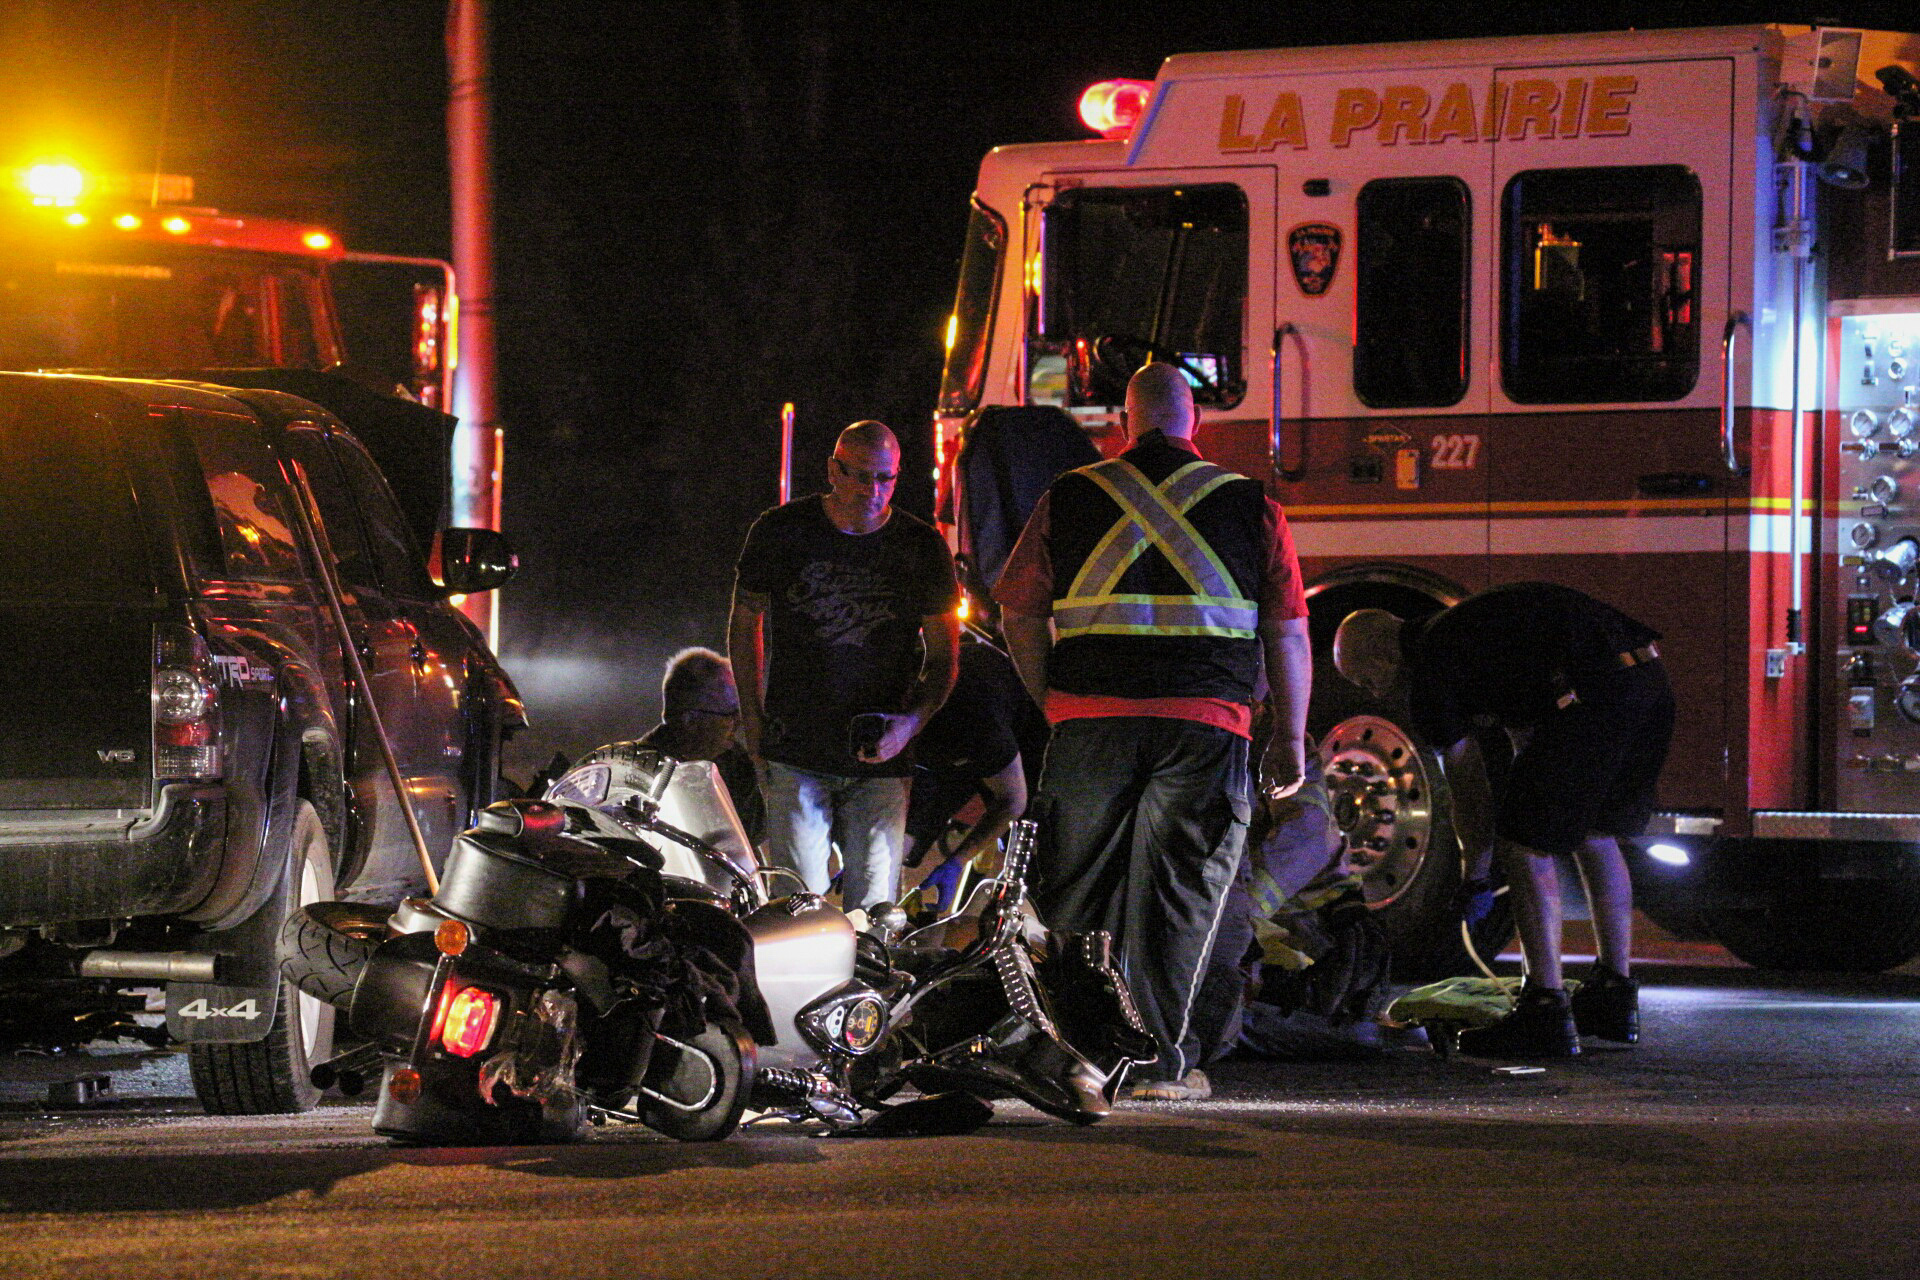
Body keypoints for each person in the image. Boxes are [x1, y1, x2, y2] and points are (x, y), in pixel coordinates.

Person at [995, 363, 1313, 1101]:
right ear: (1194, 420)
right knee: (1180, 901)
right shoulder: (1251, 504)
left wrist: (1051, 699)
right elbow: (1288, 633)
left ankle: (1075, 1055)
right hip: (1203, 727)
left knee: (1076, 896)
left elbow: (1017, 612)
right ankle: (1158, 1066)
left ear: (1123, 424)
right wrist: (1291, 738)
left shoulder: (1069, 495)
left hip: (1089, 723)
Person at [1331, 583, 1674, 1057]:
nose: (1370, 692)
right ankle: (1613, 997)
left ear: (1382, 654)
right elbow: (1525, 738)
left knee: (1524, 845)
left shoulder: (1431, 667)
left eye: (1365, 680)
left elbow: (1466, 785)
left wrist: (1475, 874)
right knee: (1595, 833)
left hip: (1590, 697)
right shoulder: (1472, 635)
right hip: (1647, 684)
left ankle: (1544, 1010)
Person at [729, 420, 960, 912]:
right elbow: (745, 622)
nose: (872, 491)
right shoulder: (782, 531)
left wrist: (910, 725)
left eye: (885, 478)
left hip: (880, 754)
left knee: (874, 912)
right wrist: (752, 718)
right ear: (834, 471)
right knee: (799, 908)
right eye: (860, 476)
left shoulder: (920, 546)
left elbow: (945, 658)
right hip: (798, 745)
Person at [902, 627, 1046, 917]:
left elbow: (1012, 800)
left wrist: (957, 861)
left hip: (1016, 734)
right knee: (903, 841)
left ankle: (1024, 919)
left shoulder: (974, 723)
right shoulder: (888, 704)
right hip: (944, 734)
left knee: (1030, 843)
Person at [637, 646, 764, 847]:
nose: (738, 723)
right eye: (729, 714)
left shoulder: (735, 762)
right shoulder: (637, 769)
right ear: (690, 720)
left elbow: (752, 838)